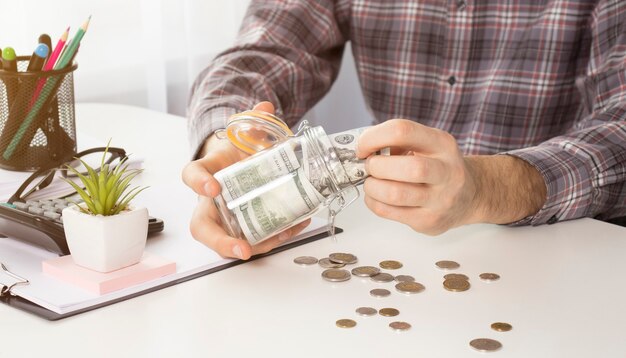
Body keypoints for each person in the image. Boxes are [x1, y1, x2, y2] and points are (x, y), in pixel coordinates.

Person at [183, 0, 626, 260]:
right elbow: (263, 51)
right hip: (396, 246)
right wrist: (228, 141)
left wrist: (491, 186)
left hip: (561, 254)